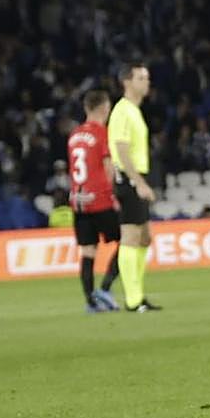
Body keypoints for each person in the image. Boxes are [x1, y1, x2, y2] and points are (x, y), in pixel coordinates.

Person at [108, 62, 161, 312]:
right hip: (129, 179)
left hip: (136, 177)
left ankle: (138, 294)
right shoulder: (122, 111)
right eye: (141, 78)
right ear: (127, 81)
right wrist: (138, 182)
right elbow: (120, 149)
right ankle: (133, 300)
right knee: (130, 237)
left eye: (147, 78)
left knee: (144, 237)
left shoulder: (133, 110)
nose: (146, 82)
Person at [69, 90, 122, 313]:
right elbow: (108, 167)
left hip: (78, 201)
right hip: (100, 200)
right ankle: (106, 288)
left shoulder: (74, 135)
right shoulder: (103, 133)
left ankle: (91, 303)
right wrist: (115, 196)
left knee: (88, 251)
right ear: (104, 108)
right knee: (129, 240)